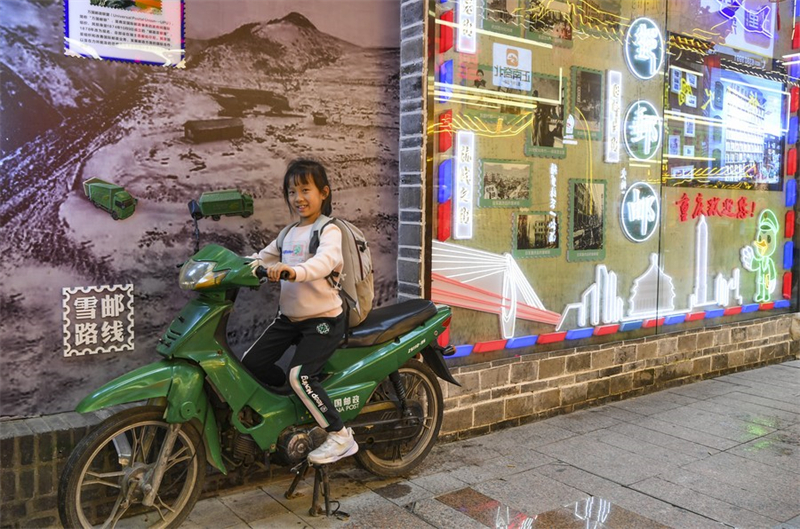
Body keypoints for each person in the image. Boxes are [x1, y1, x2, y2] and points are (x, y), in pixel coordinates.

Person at [242, 159, 358, 465]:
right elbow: (260, 258)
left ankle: (340, 435)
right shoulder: (288, 233)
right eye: (292, 191)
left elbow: (325, 261)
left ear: (323, 193)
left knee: (302, 377)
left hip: (323, 320)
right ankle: (292, 404)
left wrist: (294, 272)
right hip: (290, 319)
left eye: (305, 189)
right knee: (251, 362)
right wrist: (230, 266)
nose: (298, 198)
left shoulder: (329, 230)